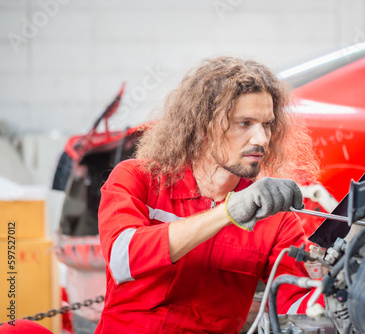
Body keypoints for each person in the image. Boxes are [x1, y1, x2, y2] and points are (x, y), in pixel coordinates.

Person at [95, 56, 320, 333]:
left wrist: (348, 284)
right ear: (204, 126)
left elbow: (295, 304)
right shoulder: (138, 178)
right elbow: (122, 258)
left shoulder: (276, 220)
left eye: (267, 125)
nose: (261, 139)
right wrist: (227, 212)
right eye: (244, 123)